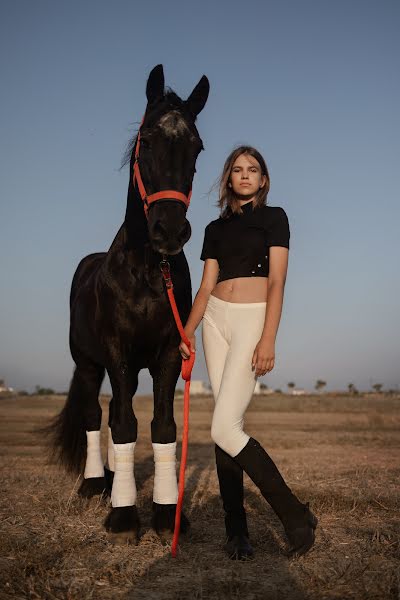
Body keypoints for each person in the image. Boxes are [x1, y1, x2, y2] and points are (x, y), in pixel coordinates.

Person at [179, 145, 318, 560]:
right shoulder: (213, 228)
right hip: (215, 321)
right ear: (228, 179)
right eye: (237, 169)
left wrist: (269, 337)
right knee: (226, 425)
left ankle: (295, 516)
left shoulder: (275, 219)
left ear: (263, 179)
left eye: (252, 170)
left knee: (224, 428)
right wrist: (186, 334)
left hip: (252, 319)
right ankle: (236, 531)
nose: (244, 175)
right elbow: (205, 288)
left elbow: (277, 283)